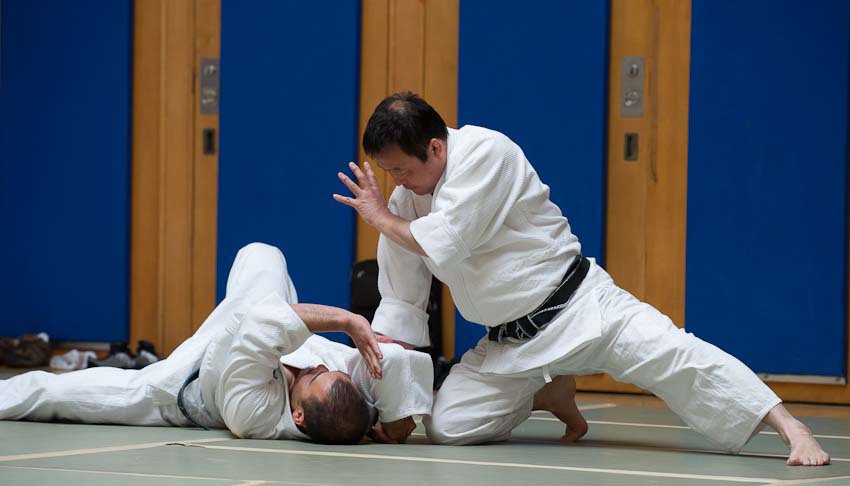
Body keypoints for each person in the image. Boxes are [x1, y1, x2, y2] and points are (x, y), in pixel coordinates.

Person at [333, 91, 830, 465]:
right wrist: (397, 393)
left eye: (399, 169)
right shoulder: (400, 204)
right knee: (449, 426)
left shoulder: (486, 153)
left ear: (436, 148)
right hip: (509, 346)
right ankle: (547, 392)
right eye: (389, 172)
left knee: (676, 355)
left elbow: (446, 238)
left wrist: (379, 219)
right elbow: (402, 300)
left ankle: (790, 426)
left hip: (583, 308)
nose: (395, 182)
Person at [0, 243, 433, 445]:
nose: (315, 366)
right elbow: (396, 360)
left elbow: (260, 323)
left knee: (52, 391)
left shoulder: (256, 416)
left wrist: (345, 319)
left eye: (314, 377)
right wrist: (396, 422)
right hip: (245, 332)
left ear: (298, 416)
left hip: (180, 384)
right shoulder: (343, 398)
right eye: (326, 369)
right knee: (263, 254)